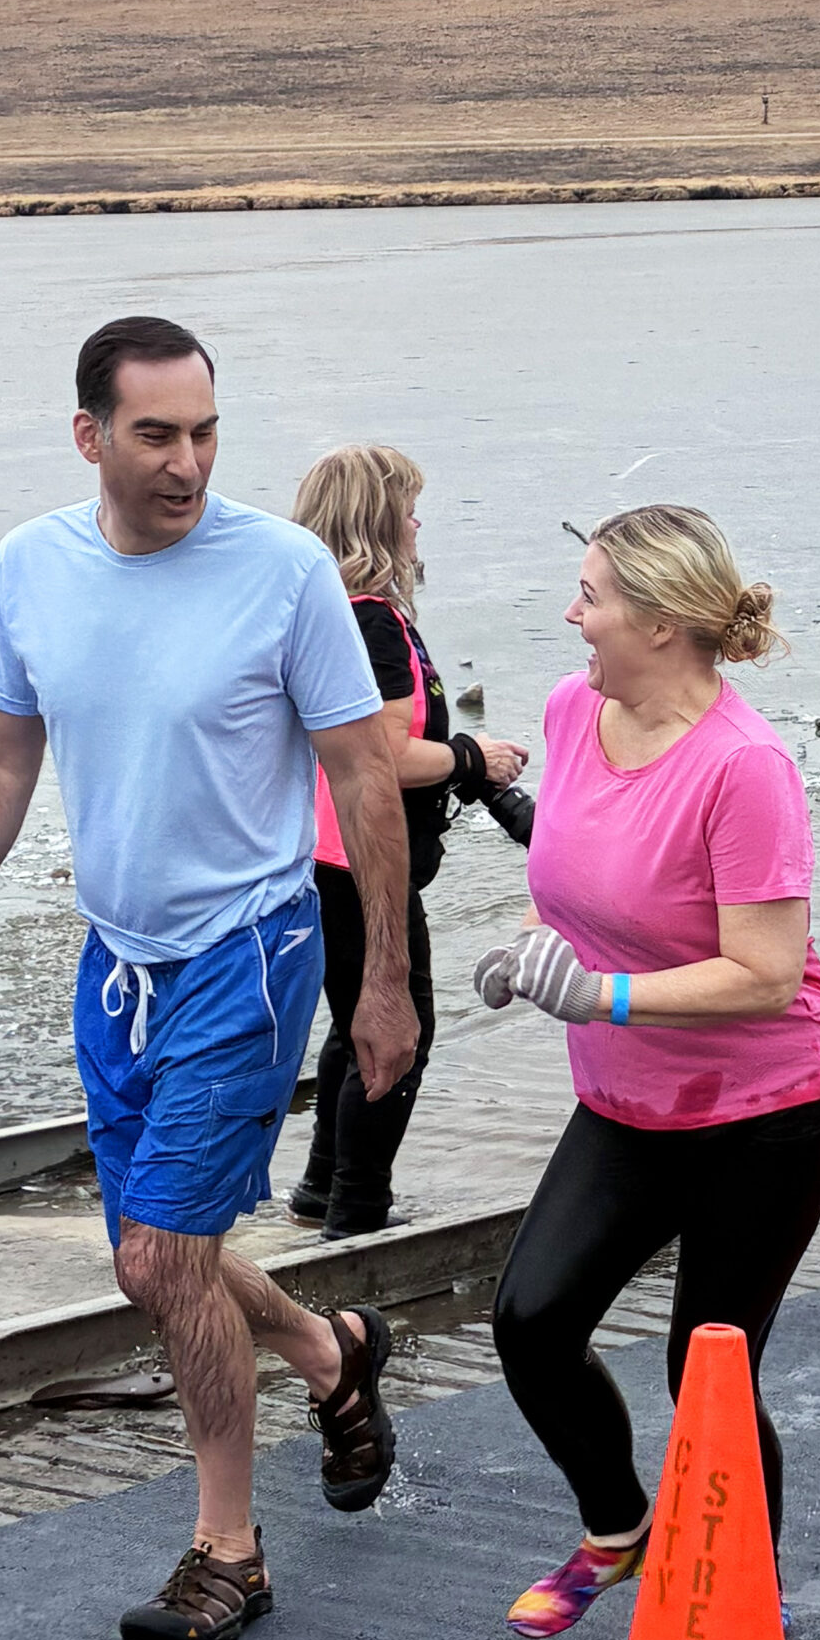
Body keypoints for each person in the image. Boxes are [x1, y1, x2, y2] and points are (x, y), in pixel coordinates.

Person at [0, 318, 418, 1640]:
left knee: (170, 1257)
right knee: (144, 1264)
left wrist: (387, 983)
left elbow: (364, 773)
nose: (187, 462)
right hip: (114, 961)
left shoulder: (284, 572)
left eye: (205, 433)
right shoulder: (33, 567)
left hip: (250, 948)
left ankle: (228, 1549)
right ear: (90, 437)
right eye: (156, 435)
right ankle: (326, 1349)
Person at [474, 504, 820, 1640]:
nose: (571, 614)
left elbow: (768, 974)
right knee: (531, 1320)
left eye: (590, 595)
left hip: (768, 1108)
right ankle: (619, 1526)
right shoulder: (571, 710)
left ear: (661, 620)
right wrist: (529, 958)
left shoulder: (747, 768)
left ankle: (747, 1600)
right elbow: (599, 872)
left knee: (711, 1376)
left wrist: (604, 993)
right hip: (629, 1098)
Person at [284, 444, 530, 1239]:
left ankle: (321, 1190)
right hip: (359, 863)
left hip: (316, 860)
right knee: (398, 1036)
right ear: (380, 523)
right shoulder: (374, 623)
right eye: (410, 509)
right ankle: (357, 1214)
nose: (421, 523)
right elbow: (383, 754)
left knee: (351, 1024)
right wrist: (472, 757)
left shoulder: (323, 613)